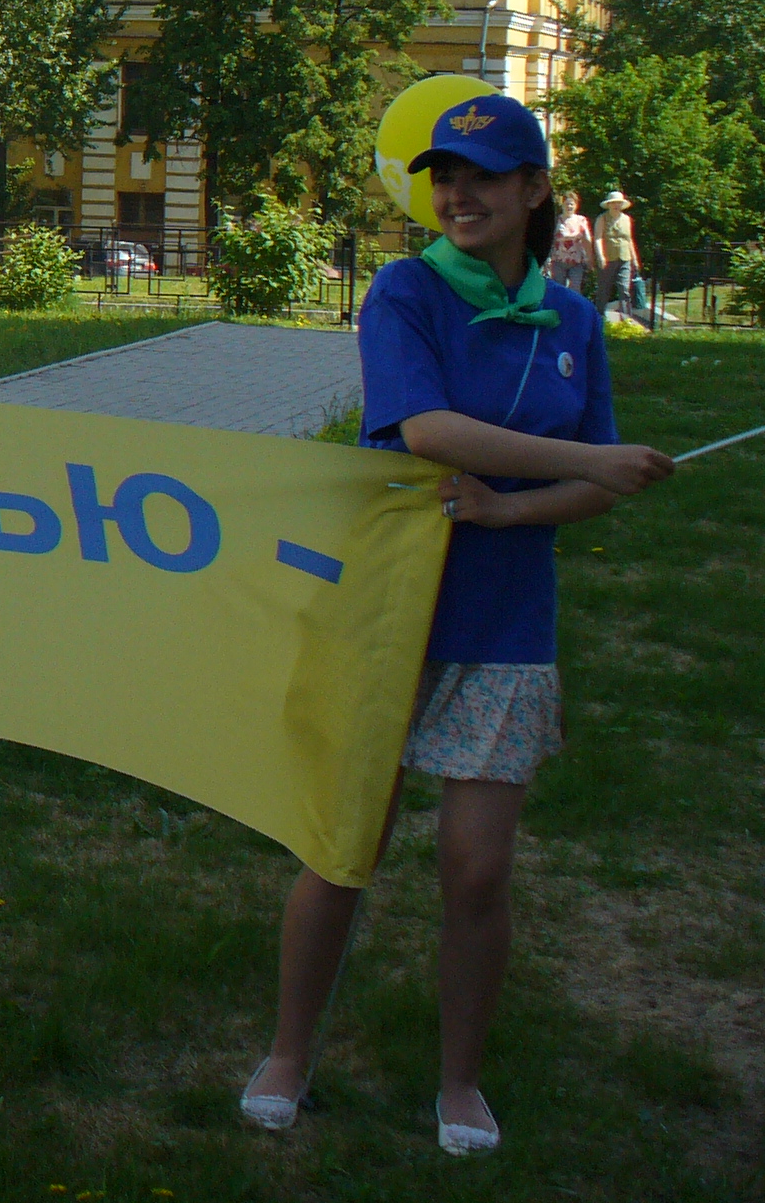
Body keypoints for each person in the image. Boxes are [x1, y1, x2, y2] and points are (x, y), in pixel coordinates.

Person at [241, 96, 673, 1156]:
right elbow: (426, 429)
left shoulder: (573, 324)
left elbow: (595, 487)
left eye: (482, 175)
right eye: (444, 176)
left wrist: (513, 509)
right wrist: (586, 460)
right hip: (389, 610)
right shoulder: (406, 291)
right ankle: (288, 1053)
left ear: (534, 190)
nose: (458, 194)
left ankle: (461, 1081)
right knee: (345, 844)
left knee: (477, 872)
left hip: (505, 621)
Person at [594, 190, 640, 312]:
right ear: (608, 204)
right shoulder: (602, 218)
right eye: (613, 203)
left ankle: (626, 317)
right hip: (607, 258)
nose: (616, 205)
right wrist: (600, 256)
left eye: (619, 203)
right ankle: (599, 316)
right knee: (604, 289)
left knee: (624, 289)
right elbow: (598, 238)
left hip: (625, 257)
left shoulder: (627, 219)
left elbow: (629, 239)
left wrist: (634, 259)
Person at [545, 191, 597, 294]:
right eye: (567, 204)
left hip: (576, 261)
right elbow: (549, 240)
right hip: (558, 260)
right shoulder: (556, 220)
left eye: (571, 204)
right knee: (559, 289)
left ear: (576, 205)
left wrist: (590, 258)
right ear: (562, 204)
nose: (569, 206)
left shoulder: (581, 220)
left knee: (575, 289)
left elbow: (587, 239)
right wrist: (547, 259)